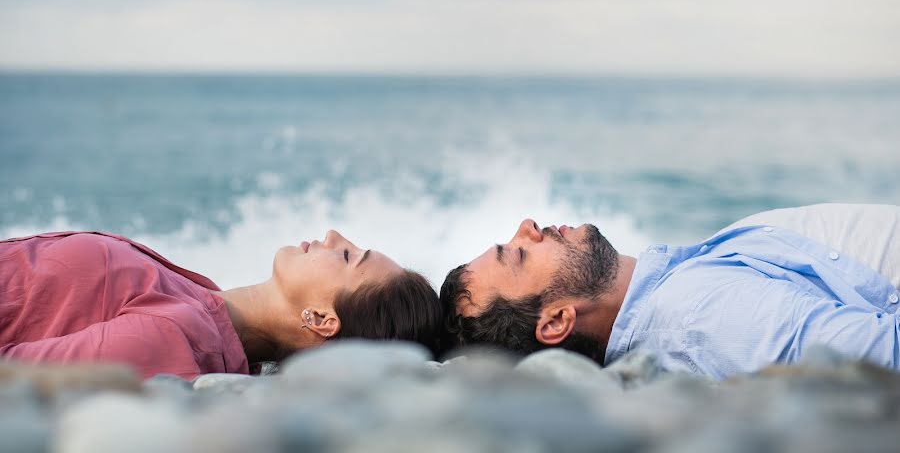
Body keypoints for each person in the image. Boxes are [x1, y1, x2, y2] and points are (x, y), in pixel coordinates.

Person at [440, 204, 900, 379]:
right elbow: (883, 356)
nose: (527, 227)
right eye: (517, 254)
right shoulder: (699, 317)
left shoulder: (681, 298)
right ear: (557, 321)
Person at [1, 229, 441, 380]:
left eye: (347, 256)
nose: (332, 235)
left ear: (323, 319)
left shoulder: (174, 336)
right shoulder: (201, 295)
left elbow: (13, 377)